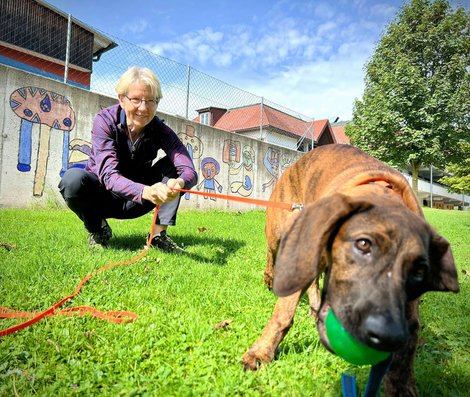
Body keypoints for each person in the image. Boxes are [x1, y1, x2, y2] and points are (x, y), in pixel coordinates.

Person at [59, 66, 197, 251]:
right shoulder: (105, 121)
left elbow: (189, 170)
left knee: (172, 167)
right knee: (72, 180)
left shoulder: (160, 130)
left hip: (136, 202)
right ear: (122, 99)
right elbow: (108, 175)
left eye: (151, 101)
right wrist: (145, 191)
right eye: (136, 100)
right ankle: (98, 230)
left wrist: (179, 183)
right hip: (103, 198)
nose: (144, 108)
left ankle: (157, 236)